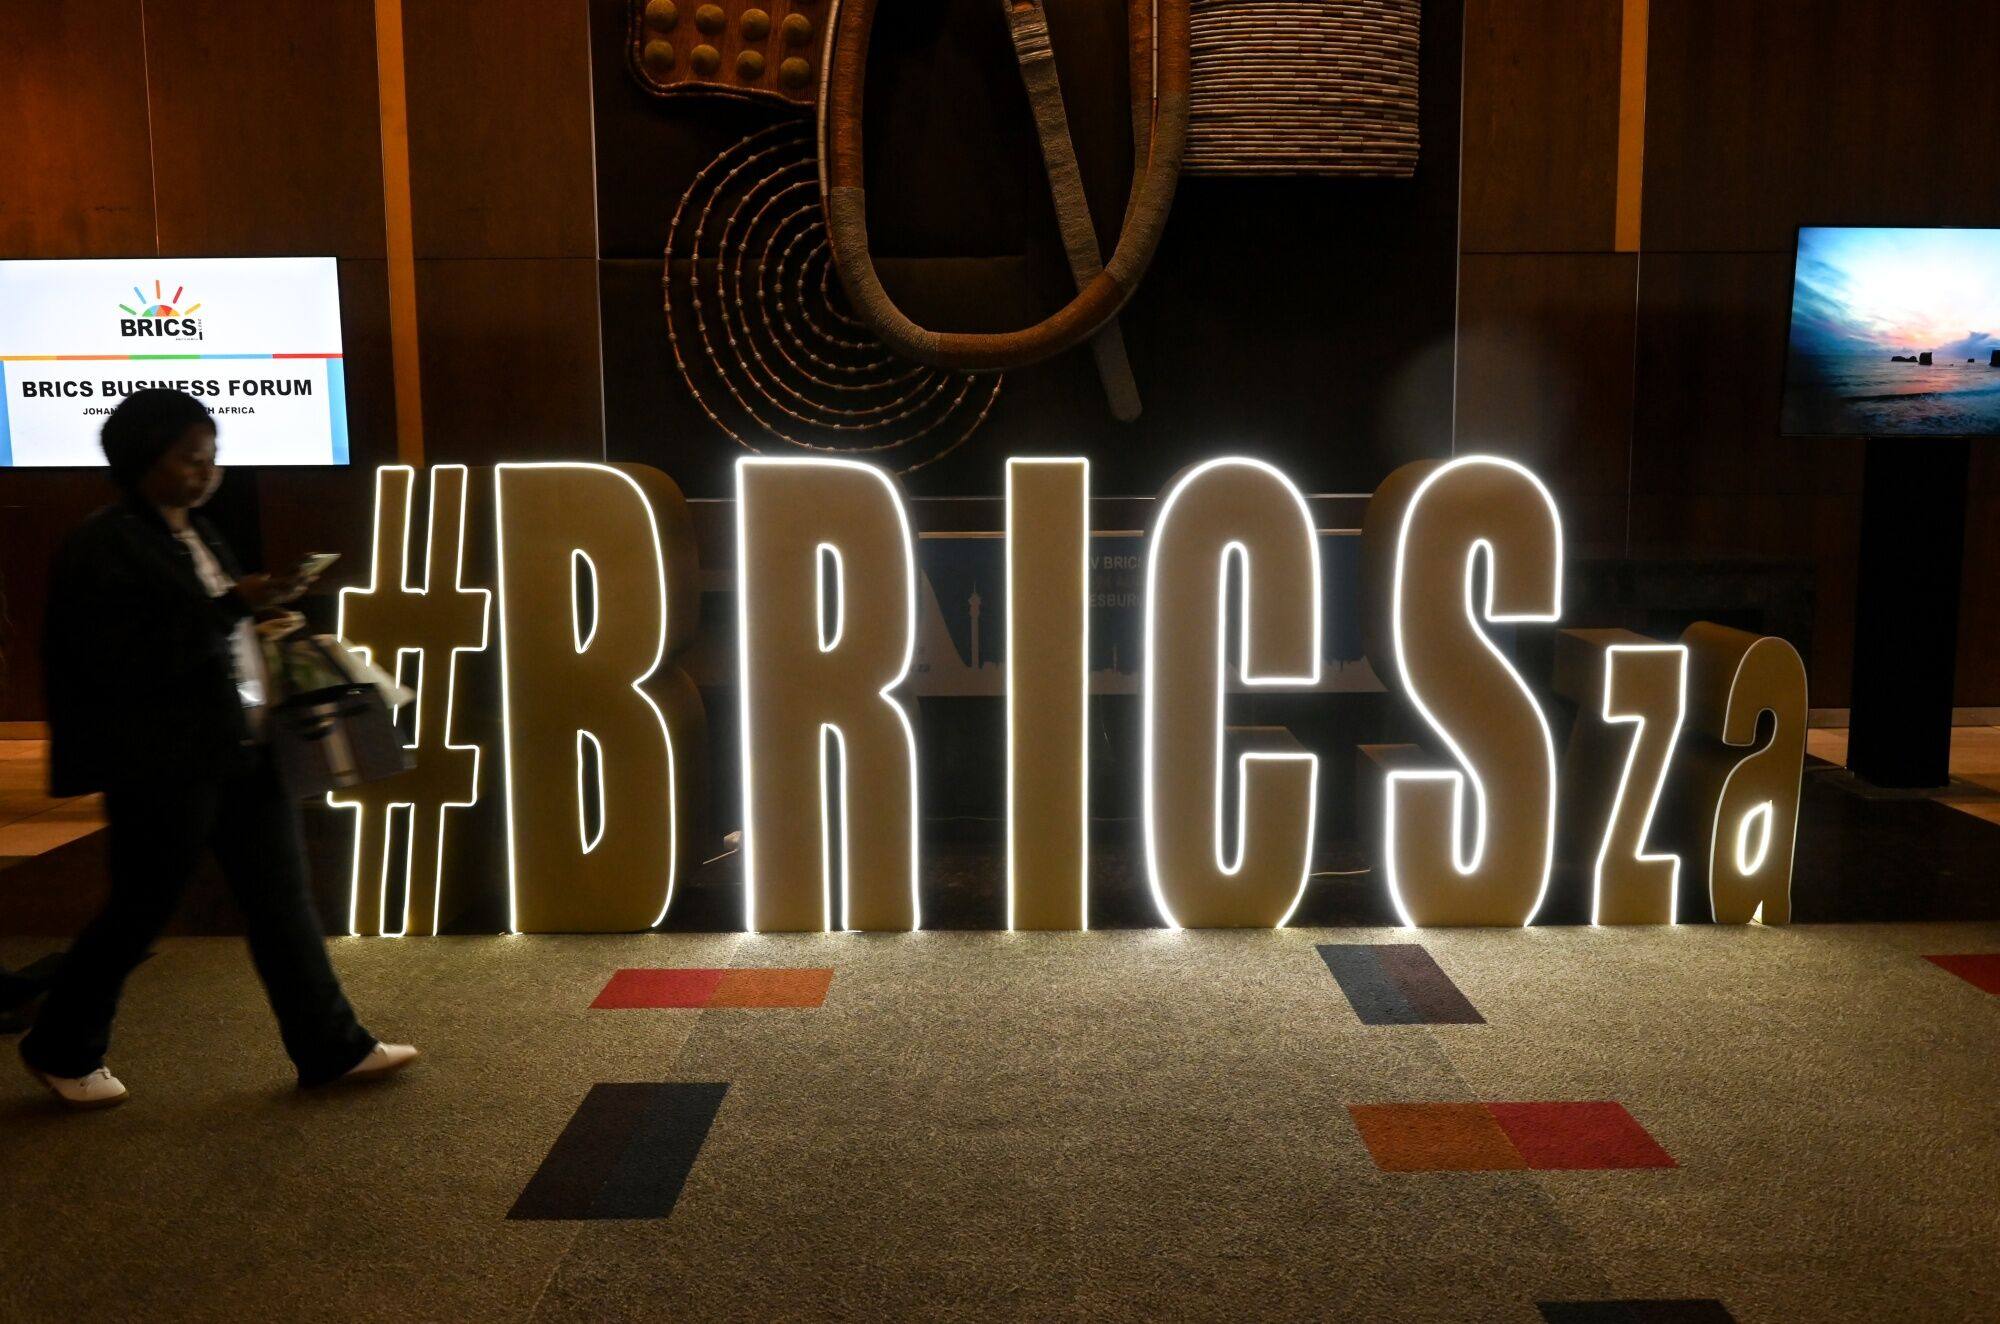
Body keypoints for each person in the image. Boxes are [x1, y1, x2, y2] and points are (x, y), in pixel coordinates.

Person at [19, 388, 416, 1110]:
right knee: (141, 906)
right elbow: (126, 660)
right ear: (142, 459)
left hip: (236, 746)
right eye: (189, 459)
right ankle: (60, 1046)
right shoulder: (105, 544)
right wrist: (235, 604)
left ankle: (333, 1047)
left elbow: (212, 632)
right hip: (163, 759)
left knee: (282, 901)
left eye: (212, 458)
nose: (206, 473)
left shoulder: (195, 533)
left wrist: (260, 611)